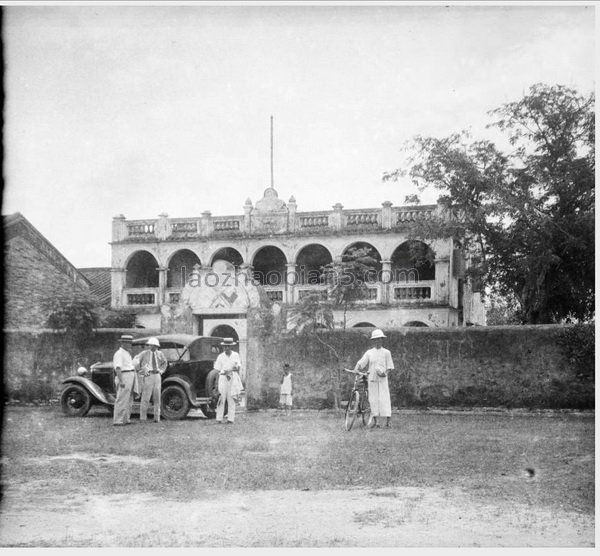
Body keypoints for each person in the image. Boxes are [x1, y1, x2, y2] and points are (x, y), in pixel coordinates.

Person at [354, 329, 394, 428]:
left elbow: (390, 367)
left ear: (382, 340)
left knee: (384, 399)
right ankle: (376, 422)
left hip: (382, 380)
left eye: (379, 339)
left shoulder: (386, 352)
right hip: (372, 379)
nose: (378, 341)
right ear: (373, 341)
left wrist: (385, 373)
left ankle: (388, 422)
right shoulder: (369, 353)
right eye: (375, 339)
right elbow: (361, 362)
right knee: (373, 400)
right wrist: (356, 367)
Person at [133, 337, 168, 422]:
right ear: (149, 345)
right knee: (146, 396)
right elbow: (136, 360)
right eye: (152, 345)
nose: (154, 347)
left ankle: (157, 417)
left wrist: (161, 371)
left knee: (157, 396)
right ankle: (143, 417)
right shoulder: (144, 353)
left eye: (156, 346)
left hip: (157, 375)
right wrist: (141, 371)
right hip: (148, 375)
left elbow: (165, 363)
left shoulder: (160, 354)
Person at [112, 334, 139, 426]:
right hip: (124, 375)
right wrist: (121, 381)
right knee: (122, 398)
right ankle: (117, 420)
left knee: (129, 399)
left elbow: (129, 365)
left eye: (130, 343)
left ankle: (125, 419)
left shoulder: (127, 353)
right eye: (128, 343)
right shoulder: (119, 353)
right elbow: (118, 368)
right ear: (123, 343)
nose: (129, 345)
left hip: (131, 374)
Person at [214, 338, 242, 424]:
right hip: (223, 378)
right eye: (225, 346)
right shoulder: (220, 356)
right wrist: (216, 383)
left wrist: (232, 369)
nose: (227, 348)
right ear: (223, 347)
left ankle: (231, 419)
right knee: (221, 398)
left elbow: (238, 367)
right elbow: (217, 370)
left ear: (231, 347)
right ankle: (219, 418)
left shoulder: (235, 355)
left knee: (231, 398)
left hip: (232, 378)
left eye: (228, 346)